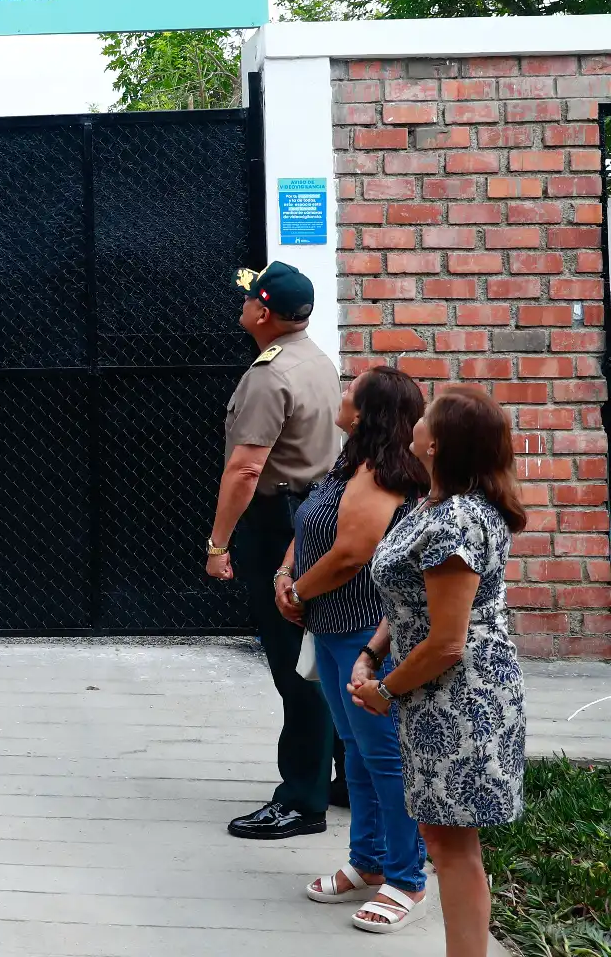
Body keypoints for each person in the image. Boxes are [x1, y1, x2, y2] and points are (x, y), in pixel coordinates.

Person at [352, 384, 527, 950]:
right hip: (432, 691)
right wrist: (373, 652)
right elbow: (410, 602)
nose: (417, 420)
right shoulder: (433, 507)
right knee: (441, 835)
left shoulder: (456, 522)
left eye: (427, 417)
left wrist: (386, 689)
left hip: (460, 696)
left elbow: (448, 640)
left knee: (453, 847)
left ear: (440, 443)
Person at [277, 366, 430, 927]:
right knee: (357, 751)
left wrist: (298, 589)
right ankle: (367, 862)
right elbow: (311, 526)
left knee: (383, 757)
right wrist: (284, 571)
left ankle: (406, 879)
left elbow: (350, 553)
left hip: (364, 632)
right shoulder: (348, 462)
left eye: (350, 391)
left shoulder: (383, 473)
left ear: (366, 412)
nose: (341, 394)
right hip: (331, 625)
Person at [207, 261, 342, 839]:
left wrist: (218, 543)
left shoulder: (269, 375)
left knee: (296, 665)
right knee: (325, 655)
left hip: (279, 519)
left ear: (262, 312)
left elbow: (245, 469)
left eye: (246, 300)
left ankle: (301, 800)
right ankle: (342, 778)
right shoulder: (316, 359)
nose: (239, 308)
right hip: (315, 516)